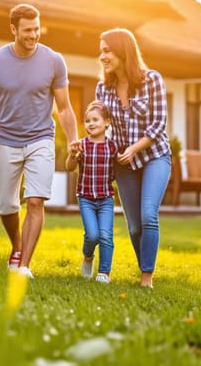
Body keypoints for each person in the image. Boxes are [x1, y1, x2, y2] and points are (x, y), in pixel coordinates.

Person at [0, 3, 80, 279]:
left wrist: (73, 141)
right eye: (28, 30)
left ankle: (24, 266)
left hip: (41, 137)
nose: (34, 35)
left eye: (37, 29)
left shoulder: (54, 60)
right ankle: (17, 246)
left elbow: (65, 107)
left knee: (35, 201)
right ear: (13, 30)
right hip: (6, 140)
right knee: (7, 205)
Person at [96, 28, 171, 289]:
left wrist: (135, 148)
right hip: (123, 163)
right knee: (135, 225)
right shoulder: (103, 89)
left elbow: (159, 123)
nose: (102, 56)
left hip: (154, 156)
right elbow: (100, 126)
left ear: (123, 51)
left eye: (107, 50)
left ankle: (146, 279)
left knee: (149, 214)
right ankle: (144, 266)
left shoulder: (152, 80)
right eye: (101, 50)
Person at [66, 101, 118, 284]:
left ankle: (104, 272)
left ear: (107, 122)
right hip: (86, 198)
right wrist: (72, 155)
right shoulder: (81, 145)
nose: (91, 123)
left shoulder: (113, 147)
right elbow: (70, 167)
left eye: (95, 119)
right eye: (88, 120)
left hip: (105, 198)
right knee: (93, 235)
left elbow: (117, 169)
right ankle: (88, 256)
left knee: (106, 235)